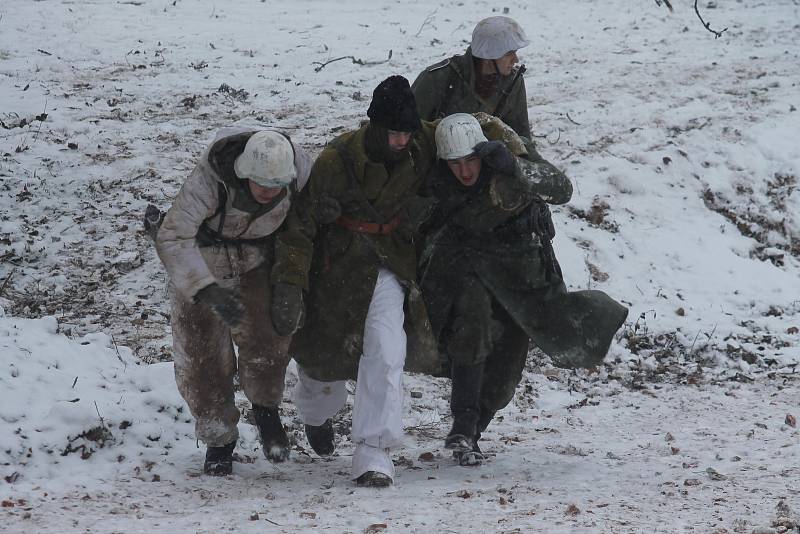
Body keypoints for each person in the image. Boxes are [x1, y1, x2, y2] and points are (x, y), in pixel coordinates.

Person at [420, 114, 628, 465]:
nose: (466, 173)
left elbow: (560, 188)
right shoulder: (434, 181)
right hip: (466, 267)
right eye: (456, 165)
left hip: (522, 274)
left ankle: (474, 431)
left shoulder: (508, 161)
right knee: (473, 326)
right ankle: (463, 425)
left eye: (471, 162)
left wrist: (514, 167)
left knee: (505, 374)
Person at [269, 75, 441, 488]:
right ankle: (315, 414)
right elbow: (300, 225)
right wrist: (290, 282)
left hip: (388, 259)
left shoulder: (420, 145)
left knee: (386, 347)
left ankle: (373, 452)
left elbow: (465, 129)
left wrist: (498, 147)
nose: (402, 140)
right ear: (375, 126)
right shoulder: (338, 158)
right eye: (394, 132)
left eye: (407, 132)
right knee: (320, 357)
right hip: (337, 264)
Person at [153, 128, 311, 475]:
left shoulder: (299, 167)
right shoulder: (208, 183)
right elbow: (173, 236)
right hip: (201, 260)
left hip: (257, 257)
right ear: (243, 173)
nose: (269, 193)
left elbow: (308, 213)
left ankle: (267, 412)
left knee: (269, 341)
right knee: (202, 357)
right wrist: (205, 290)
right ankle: (219, 439)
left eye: (276, 187)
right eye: (261, 185)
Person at [412, 16, 532, 140]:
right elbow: (405, 131)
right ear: (488, 55)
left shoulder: (513, 82)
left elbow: (521, 139)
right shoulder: (437, 78)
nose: (516, 60)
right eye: (508, 54)